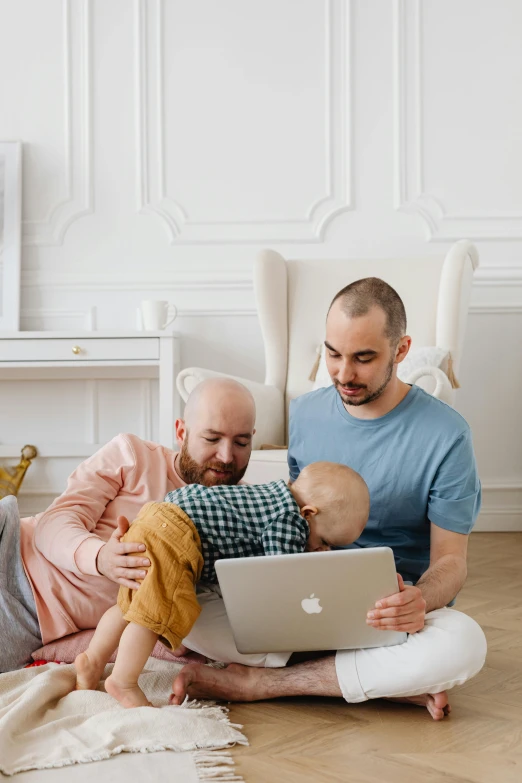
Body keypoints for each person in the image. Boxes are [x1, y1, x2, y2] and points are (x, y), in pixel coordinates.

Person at [169, 277, 488, 721]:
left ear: (401, 349)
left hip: (389, 614)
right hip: (303, 599)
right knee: (186, 604)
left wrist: (418, 600)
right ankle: (377, 682)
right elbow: (292, 520)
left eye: (363, 358)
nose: (343, 373)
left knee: (464, 645)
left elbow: (452, 562)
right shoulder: (305, 412)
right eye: (333, 354)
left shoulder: (448, 436)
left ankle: (265, 684)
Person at [0, 377, 257, 672]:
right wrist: (101, 558)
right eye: (212, 439)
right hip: (12, 546)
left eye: (241, 442)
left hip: (31, 622)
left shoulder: (244, 511)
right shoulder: (133, 455)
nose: (226, 456)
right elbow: (55, 522)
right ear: (181, 432)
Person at [75, 462, 369, 707]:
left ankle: (93, 660)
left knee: (132, 602)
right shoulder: (290, 519)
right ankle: (124, 681)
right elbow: (283, 575)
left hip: (157, 516)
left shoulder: (269, 495)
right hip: (177, 533)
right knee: (155, 612)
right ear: (309, 514)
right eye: (326, 542)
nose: (323, 550)